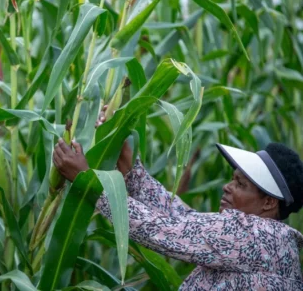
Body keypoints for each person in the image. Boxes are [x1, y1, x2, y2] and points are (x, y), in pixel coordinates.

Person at [52, 108, 303, 290]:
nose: (227, 187)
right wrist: (131, 172)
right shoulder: (275, 243)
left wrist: (88, 182)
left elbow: (164, 230)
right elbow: (186, 221)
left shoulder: (254, 235)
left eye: (240, 184)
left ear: (269, 203)